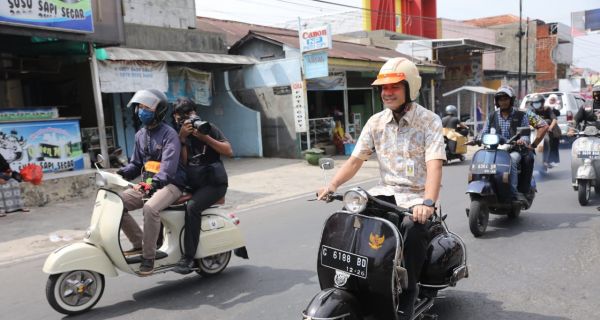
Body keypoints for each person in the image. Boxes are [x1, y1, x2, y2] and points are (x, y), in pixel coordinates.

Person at [317, 57, 445, 319]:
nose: (387, 93)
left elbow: (434, 166)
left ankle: (409, 291)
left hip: (416, 199)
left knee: (413, 227)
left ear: (409, 87)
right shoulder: (376, 122)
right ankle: (356, 280)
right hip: (384, 193)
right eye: (384, 88)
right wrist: (332, 185)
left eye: (394, 87)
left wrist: (428, 202)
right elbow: (355, 160)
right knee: (352, 218)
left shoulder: (429, 121)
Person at [116, 89, 186, 276]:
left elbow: (168, 169)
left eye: (146, 107)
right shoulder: (140, 135)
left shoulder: (169, 134)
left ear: (159, 111)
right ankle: (139, 243)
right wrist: (120, 173)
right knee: (116, 204)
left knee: (150, 209)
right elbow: (136, 164)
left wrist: (154, 184)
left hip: (171, 185)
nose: (141, 111)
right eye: (140, 107)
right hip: (148, 184)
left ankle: (149, 257)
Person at [170, 98, 233, 274]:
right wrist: (182, 138)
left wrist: (206, 138)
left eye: (191, 112)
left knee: (192, 208)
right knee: (162, 202)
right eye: (184, 114)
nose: (189, 118)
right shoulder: (176, 134)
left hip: (214, 184)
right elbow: (182, 162)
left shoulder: (207, 127)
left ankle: (188, 258)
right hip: (193, 184)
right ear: (176, 117)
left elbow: (228, 151)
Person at [479, 86, 548, 202]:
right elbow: (484, 132)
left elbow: (528, 132)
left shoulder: (522, 115)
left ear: (511, 100)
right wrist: (477, 138)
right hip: (496, 149)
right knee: (483, 160)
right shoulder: (492, 116)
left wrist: (525, 141)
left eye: (506, 99)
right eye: (500, 99)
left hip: (515, 149)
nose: (503, 102)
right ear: (497, 101)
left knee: (512, 160)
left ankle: (514, 191)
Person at [529, 94, 560, 167]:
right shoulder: (531, 111)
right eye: (534, 103)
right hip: (533, 132)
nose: (536, 104)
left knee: (546, 140)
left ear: (542, 103)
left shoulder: (547, 109)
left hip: (546, 132)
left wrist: (550, 127)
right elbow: (527, 120)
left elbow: (554, 119)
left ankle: (546, 160)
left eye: (538, 102)